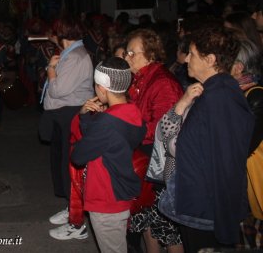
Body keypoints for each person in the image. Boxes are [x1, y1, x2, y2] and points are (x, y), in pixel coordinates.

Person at [158, 27, 254, 251]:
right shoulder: (210, 92)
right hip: (198, 204)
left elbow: (226, 163)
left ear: (210, 59)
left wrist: (225, 223)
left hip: (207, 210)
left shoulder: (220, 99)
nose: (186, 59)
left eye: (192, 53)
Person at [71, 58, 146, 253]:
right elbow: (99, 142)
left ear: (102, 89)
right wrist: (92, 118)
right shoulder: (133, 112)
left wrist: (86, 117)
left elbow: (79, 155)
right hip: (121, 192)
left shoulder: (107, 123)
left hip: (107, 198)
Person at [124, 28, 183, 253]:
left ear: (150, 54)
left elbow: (164, 127)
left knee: (168, 230)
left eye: (132, 53)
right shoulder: (140, 77)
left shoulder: (162, 82)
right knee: (147, 223)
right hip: (145, 158)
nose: (127, 57)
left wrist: (127, 129)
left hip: (161, 163)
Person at [42, 14, 93, 236]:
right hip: (63, 114)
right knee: (62, 164)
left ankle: (77, 222)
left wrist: (50, 71)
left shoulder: (76, 57)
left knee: (69, 167)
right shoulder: (69, 54)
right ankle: (70, 208)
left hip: (70, 114)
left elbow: (59, 89)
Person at [230, 36, 263, 248]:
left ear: (238, 67)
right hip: (246, 185)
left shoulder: (256, 96)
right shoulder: (238, 95)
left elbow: (243, 143)